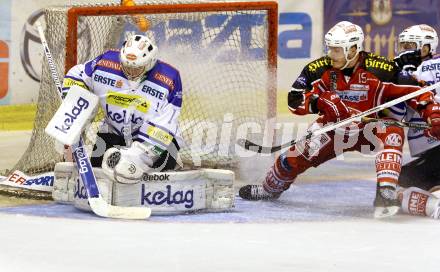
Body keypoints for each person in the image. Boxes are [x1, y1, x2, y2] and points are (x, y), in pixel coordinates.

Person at [239, 21, 440, 218]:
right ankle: (269, 188)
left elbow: (417, 92)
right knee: (292, 159)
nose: (330, 54)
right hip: (334, 130)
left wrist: (433, 114)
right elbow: (294, 98)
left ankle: (385, 191)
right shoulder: (318, 68)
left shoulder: (380, 69)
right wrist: (320, 103)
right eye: (330, 48)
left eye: (336, 50)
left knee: (392, 130)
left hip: (369, 130)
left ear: (353, 49)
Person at [62, 34, 183, 183]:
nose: (130, 72)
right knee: (99, 174)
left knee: (153, 179)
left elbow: (164, 127)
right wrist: (72, 100)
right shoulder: (105, 63)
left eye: (137, 68)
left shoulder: (169, 79)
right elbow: (78, 74)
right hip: (114, 132)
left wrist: (135, 158)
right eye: (126, 67)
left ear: (150, 63)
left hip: (158, 142)